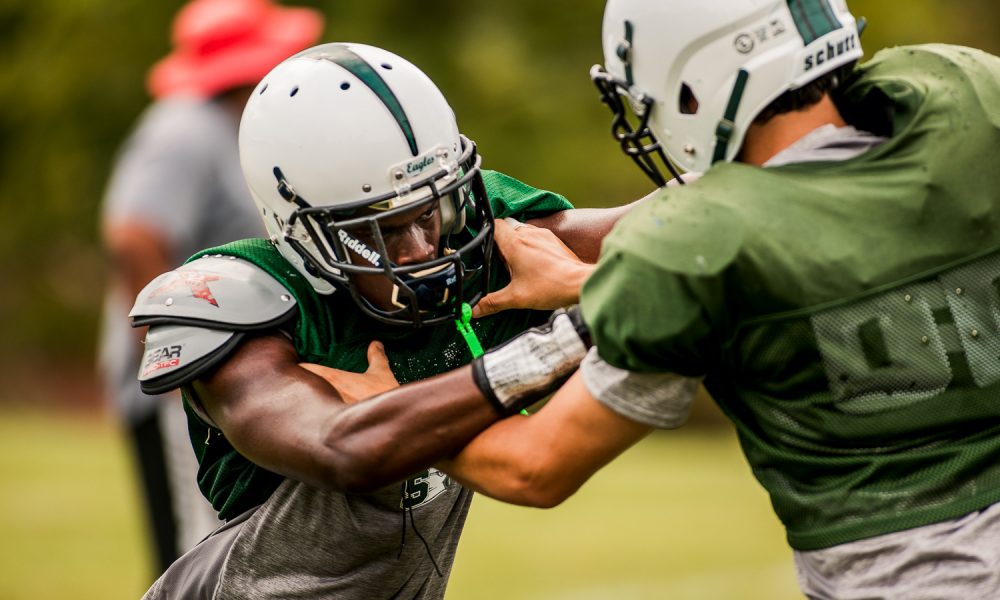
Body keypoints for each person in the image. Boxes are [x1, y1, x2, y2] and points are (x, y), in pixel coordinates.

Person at [308, 1, 1000, 598]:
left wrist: (387, 408)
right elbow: (856, 274)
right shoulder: (970, 98)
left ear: (692, 85)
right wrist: (593, 286)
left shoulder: (696, 251)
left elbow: (532, 466)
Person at [132, 42, 632, 599]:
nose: (422, 248)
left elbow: (676, 233)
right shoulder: (248, 302)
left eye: (429, 213)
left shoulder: (484, 245)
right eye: (384, 230)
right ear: (302, 231)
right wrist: (571, 334)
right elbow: (345, 449)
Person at [97, 0, 323, 574]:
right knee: (192, 562)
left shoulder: (232, 125)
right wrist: (172, 357)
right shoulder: (184, 131)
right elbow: (133, 235)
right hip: (184, 387)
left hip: (221, 377)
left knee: (233, 557)